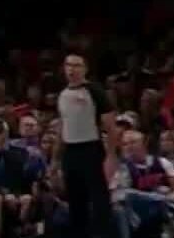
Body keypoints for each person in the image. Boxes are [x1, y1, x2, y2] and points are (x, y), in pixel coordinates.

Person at [56, 52, 116, 238]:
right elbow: (62, 127)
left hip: (90, 148)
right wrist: (55, 159)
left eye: (77, 65)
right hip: (70, 151)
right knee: (75, 201)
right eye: (68, 65)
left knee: (99, 202)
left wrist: (111, 156)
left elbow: (110, 126)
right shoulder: (63, 94)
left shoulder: (94, 91)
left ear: (85, 69)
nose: (72, 69)